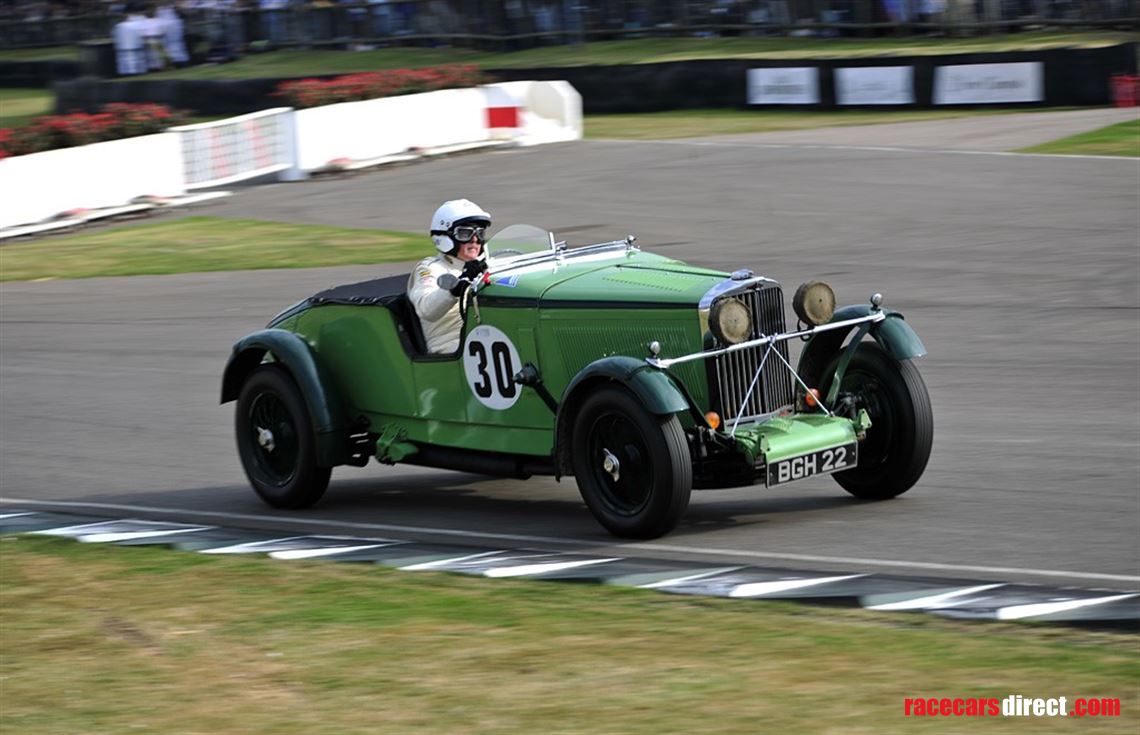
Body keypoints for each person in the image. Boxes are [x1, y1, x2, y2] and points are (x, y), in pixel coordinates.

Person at [407, 199, 491, 354]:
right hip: (450, 345)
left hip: (485, 333)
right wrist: (455, 289)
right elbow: (426, 309)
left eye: (480, 233)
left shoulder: (487, 263)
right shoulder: (430, 267)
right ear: (446, 237)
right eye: (465, 233)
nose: (475, 240)